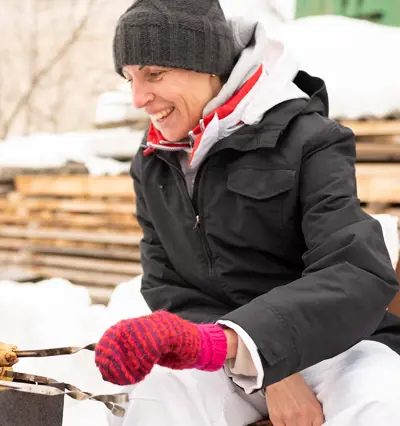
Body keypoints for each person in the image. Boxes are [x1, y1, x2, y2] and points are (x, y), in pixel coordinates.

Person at [93, 1, 400, 425]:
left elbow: (354, 270)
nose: (138, 98)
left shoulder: (308, 138)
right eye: (129, 79)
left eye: (154, 74)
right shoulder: (153, 162)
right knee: (152, 399)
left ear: (205, 64)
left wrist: (264, 351)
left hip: (335, 345)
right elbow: (169, 286)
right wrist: (253, 360)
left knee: (383, 403)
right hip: (225, 351)